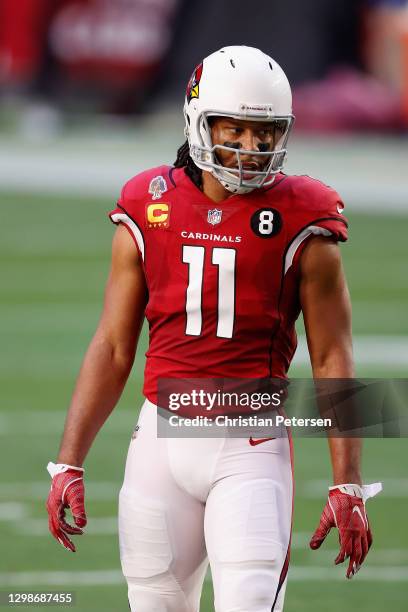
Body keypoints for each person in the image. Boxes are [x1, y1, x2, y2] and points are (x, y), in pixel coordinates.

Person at [46, 46, 381, 612]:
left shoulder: (306, 218)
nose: (251, 150)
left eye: (265, 134)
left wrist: (347, 481)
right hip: (159, 443)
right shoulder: (147, 204)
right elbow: (111, 345)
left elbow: (332, 359)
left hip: (249, 446)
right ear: (198, 121)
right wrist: (68, 461)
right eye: (236, 130)